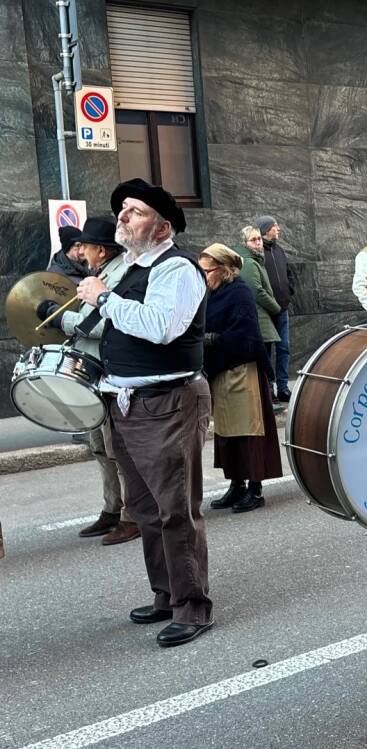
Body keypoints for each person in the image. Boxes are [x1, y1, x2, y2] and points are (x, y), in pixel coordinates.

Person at [76, 178, 213, 648]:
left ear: (162, 226)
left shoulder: (177, 269)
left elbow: (161, 328)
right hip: (127, 403)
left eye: (134, 211)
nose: (122, 217)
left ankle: (192, 606)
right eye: (123, 210)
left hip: (169, 403)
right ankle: (166, 594)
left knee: (176, 511)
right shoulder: (130, 268)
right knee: (146, 510)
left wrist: (104, 299)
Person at [37, 218, 139, 545]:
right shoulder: (100, 273)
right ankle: (112, 509)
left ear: (102, 249)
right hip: (94, 372)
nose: (82, 251)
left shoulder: (119, 274)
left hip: (110, 371)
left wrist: (59, 317)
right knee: (99, 446)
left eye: (86, 246)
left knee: (116, 448)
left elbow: (102, 325)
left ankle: (132, 515)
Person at [199, 245, 283, 513]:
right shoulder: (211, 294)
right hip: (220, 369)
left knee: (248, 431)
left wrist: (213, 338)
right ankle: (236, 485)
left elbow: (245, 332)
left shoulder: (240, 292)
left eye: (207, 271)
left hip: (242, 369)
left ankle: (255, 489)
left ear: (224, 270)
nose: (204, 276)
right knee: (227, 432)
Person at [255, 216, 293, 402]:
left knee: (284, 348)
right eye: (274, 226)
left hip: (283, 308)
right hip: (266, 311)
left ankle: (283, 387)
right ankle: (268, 387)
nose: (278, 229)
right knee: (266, 350)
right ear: (266, 229)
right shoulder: (258, 252)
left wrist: (289, 292)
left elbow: (288, 274)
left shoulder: (279, 250)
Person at [235, 226, 281, 353]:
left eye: (259, 238)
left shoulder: (255, 259)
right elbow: (256, 291)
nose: (258, 242)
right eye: (253, 240)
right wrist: (276, 308)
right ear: (245, 244)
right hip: (259, 322)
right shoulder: (249, 262)